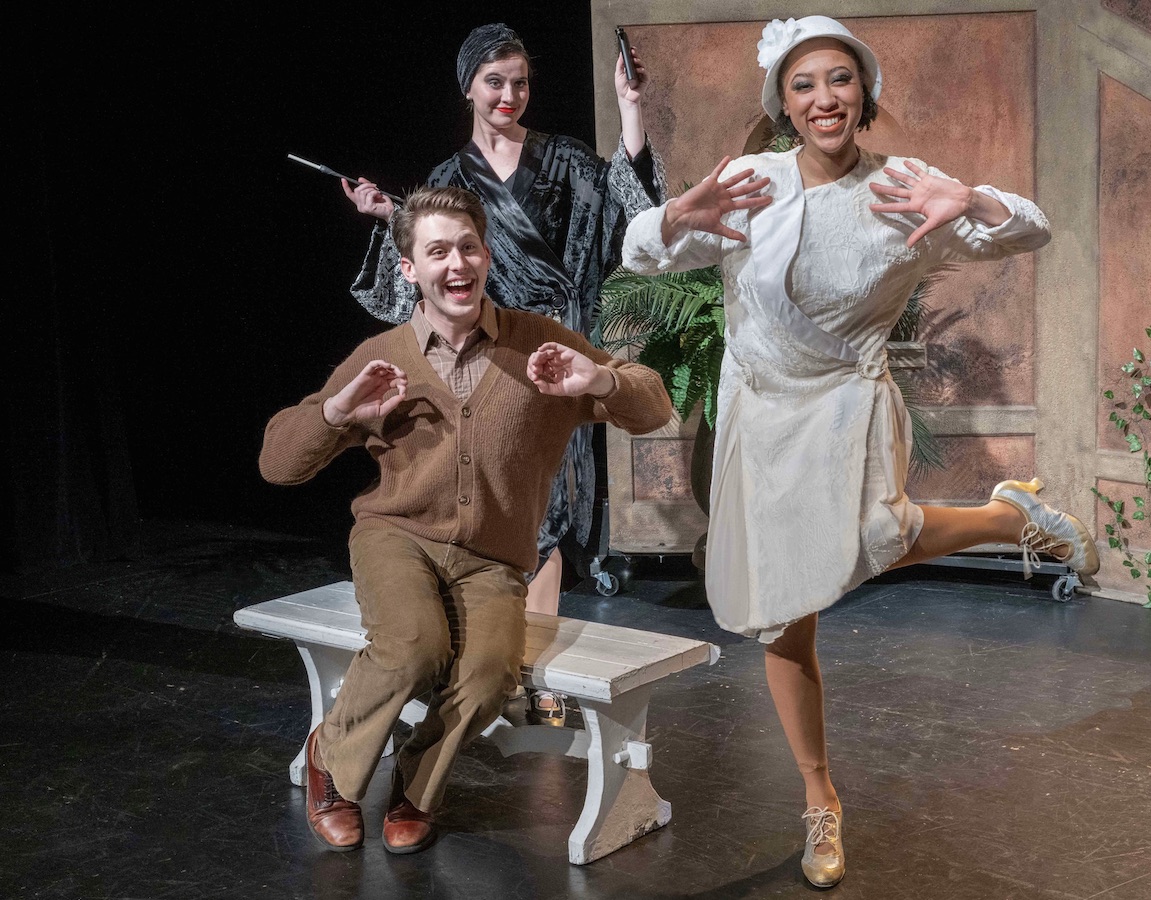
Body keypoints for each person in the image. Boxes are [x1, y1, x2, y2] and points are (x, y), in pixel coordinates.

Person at [621, 16, 1099, 888]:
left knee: (877, 536)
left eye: (839, 80)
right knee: (782, 614)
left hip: (847, 400)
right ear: (783, 104)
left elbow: (1032, 229)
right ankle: (820, 799)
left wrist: (976, 202)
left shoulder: (906, 185)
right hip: (761, 412)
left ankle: (1005, 515)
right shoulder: (750, 182)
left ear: (862, 92)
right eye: (803, 86)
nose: (823, 99)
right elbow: (639, 253)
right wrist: (671, 217)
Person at [260, 186, 671, 854]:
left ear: (486, 254)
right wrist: (336, 416)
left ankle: (415, 788)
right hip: (398, 537)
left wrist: (595, 382)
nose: (457, 264)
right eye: (437, 251)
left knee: (487, 677)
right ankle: (329, 761)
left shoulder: (540, 345)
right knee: (414, 646)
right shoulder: (382, 354)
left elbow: (651, 408)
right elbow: (279, 463)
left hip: (493, 558)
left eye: (468, 247)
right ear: (408, 268)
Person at [341, 23, 667, 723]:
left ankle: (525, 676)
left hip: (549, 353)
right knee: (496, 509)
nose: (510, 95)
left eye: (520, 81)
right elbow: (420, 263)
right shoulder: (447, 180)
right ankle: (496, 667)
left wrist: (630, 108)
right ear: (469, 87)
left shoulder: (567, 160)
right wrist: (385, 216)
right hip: (478, 358)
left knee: (544, 514)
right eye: (495, 82)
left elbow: (627, 210)